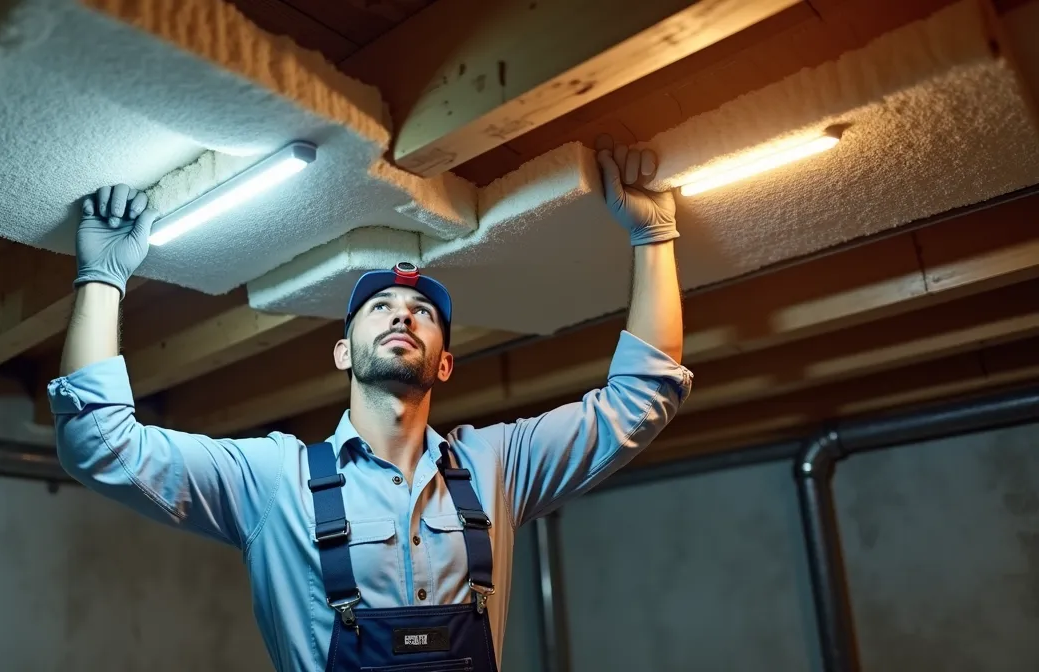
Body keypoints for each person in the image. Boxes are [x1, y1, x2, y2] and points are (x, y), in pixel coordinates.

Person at [48, 140, 693, 672]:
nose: (402, 315)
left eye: (422, 313)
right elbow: (98, 443)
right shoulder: (274, 482)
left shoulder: (500, 466)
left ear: (443, 362)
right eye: (379, 308)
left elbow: (641, 396)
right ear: (343, 353)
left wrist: (654, 235)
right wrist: (101, 277)